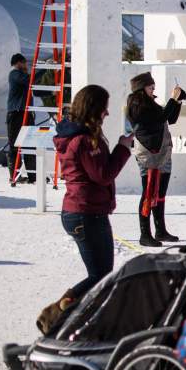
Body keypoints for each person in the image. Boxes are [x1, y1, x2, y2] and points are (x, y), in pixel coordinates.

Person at [37, 84, 133, 333]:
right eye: (104, 108)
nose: (107, 113)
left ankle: (72, 316)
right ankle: (57, 316)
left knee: (100, 274)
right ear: (94, 108)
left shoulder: (75, 135)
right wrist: (123, 147)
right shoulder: (84, 140)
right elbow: (103, 174)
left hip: (79, 211)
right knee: (101, 276)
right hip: (87, 213)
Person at [125, 72, 184, 247]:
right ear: (141, 88)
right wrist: (172, 99)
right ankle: (145, 234)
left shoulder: (150, 103)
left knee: (160, 193)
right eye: (151, 87)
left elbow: (169, 119)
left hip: (163, 152)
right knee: (149, 192)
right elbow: (159, 119)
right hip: (149, 154)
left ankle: (160, 231)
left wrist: (178, 101)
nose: (153, 90)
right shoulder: (137, 105)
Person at [6, 53, 34, 183]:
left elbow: (33, 85)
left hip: (26, 112)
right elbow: (30, 79)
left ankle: (33, 176)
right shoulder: (15, 74)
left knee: (31, 144)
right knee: (14, 145)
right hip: (16, 113)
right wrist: (43, 69)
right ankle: (14, 176)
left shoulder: (22, 76)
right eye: (24, 63)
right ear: (18, 63)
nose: (26, 65)